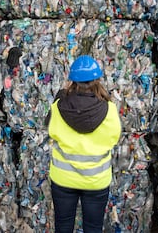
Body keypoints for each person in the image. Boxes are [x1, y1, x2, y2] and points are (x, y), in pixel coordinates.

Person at [45, 55, 121, 233]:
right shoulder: (109, 109)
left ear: (72, 81)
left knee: (63, 225)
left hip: (63, 179)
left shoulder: (58, 107)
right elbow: (114, 138)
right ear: (97, 80)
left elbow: (50, 130)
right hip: (96, 180)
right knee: (93, 227)